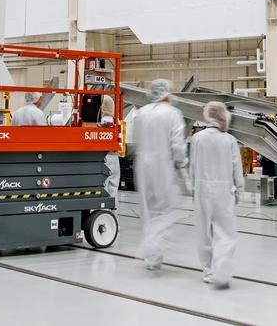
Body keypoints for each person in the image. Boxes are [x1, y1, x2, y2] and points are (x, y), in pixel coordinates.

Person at [130, 79, 189, 271]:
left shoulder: (141, 113)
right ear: (165, 94)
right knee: (169, 209)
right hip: (162, 165)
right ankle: (152, 245)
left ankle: (152, 258)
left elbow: (134, 140)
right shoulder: (173, 113)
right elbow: (178, 145)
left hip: (142, 165)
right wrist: (183, 167)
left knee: (149, 211)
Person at [190, 101, 243, 288]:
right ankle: (222, 270)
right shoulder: (229, 140)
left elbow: (193, 167)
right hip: (224, 190)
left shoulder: (197, 138)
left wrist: (193, 190)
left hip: (202, 189)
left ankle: (208, 270)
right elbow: (237, 170)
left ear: (207, 115)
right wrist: (239, 191)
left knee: (204, 232)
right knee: (225, 233)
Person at [99, 94, 120, 198]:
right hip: (115, 157)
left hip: (105, 157)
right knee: (114, 188)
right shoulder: (117, 122)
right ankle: (113, 212)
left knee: (103, 186)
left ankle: (103, 212)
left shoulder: (101, 123)